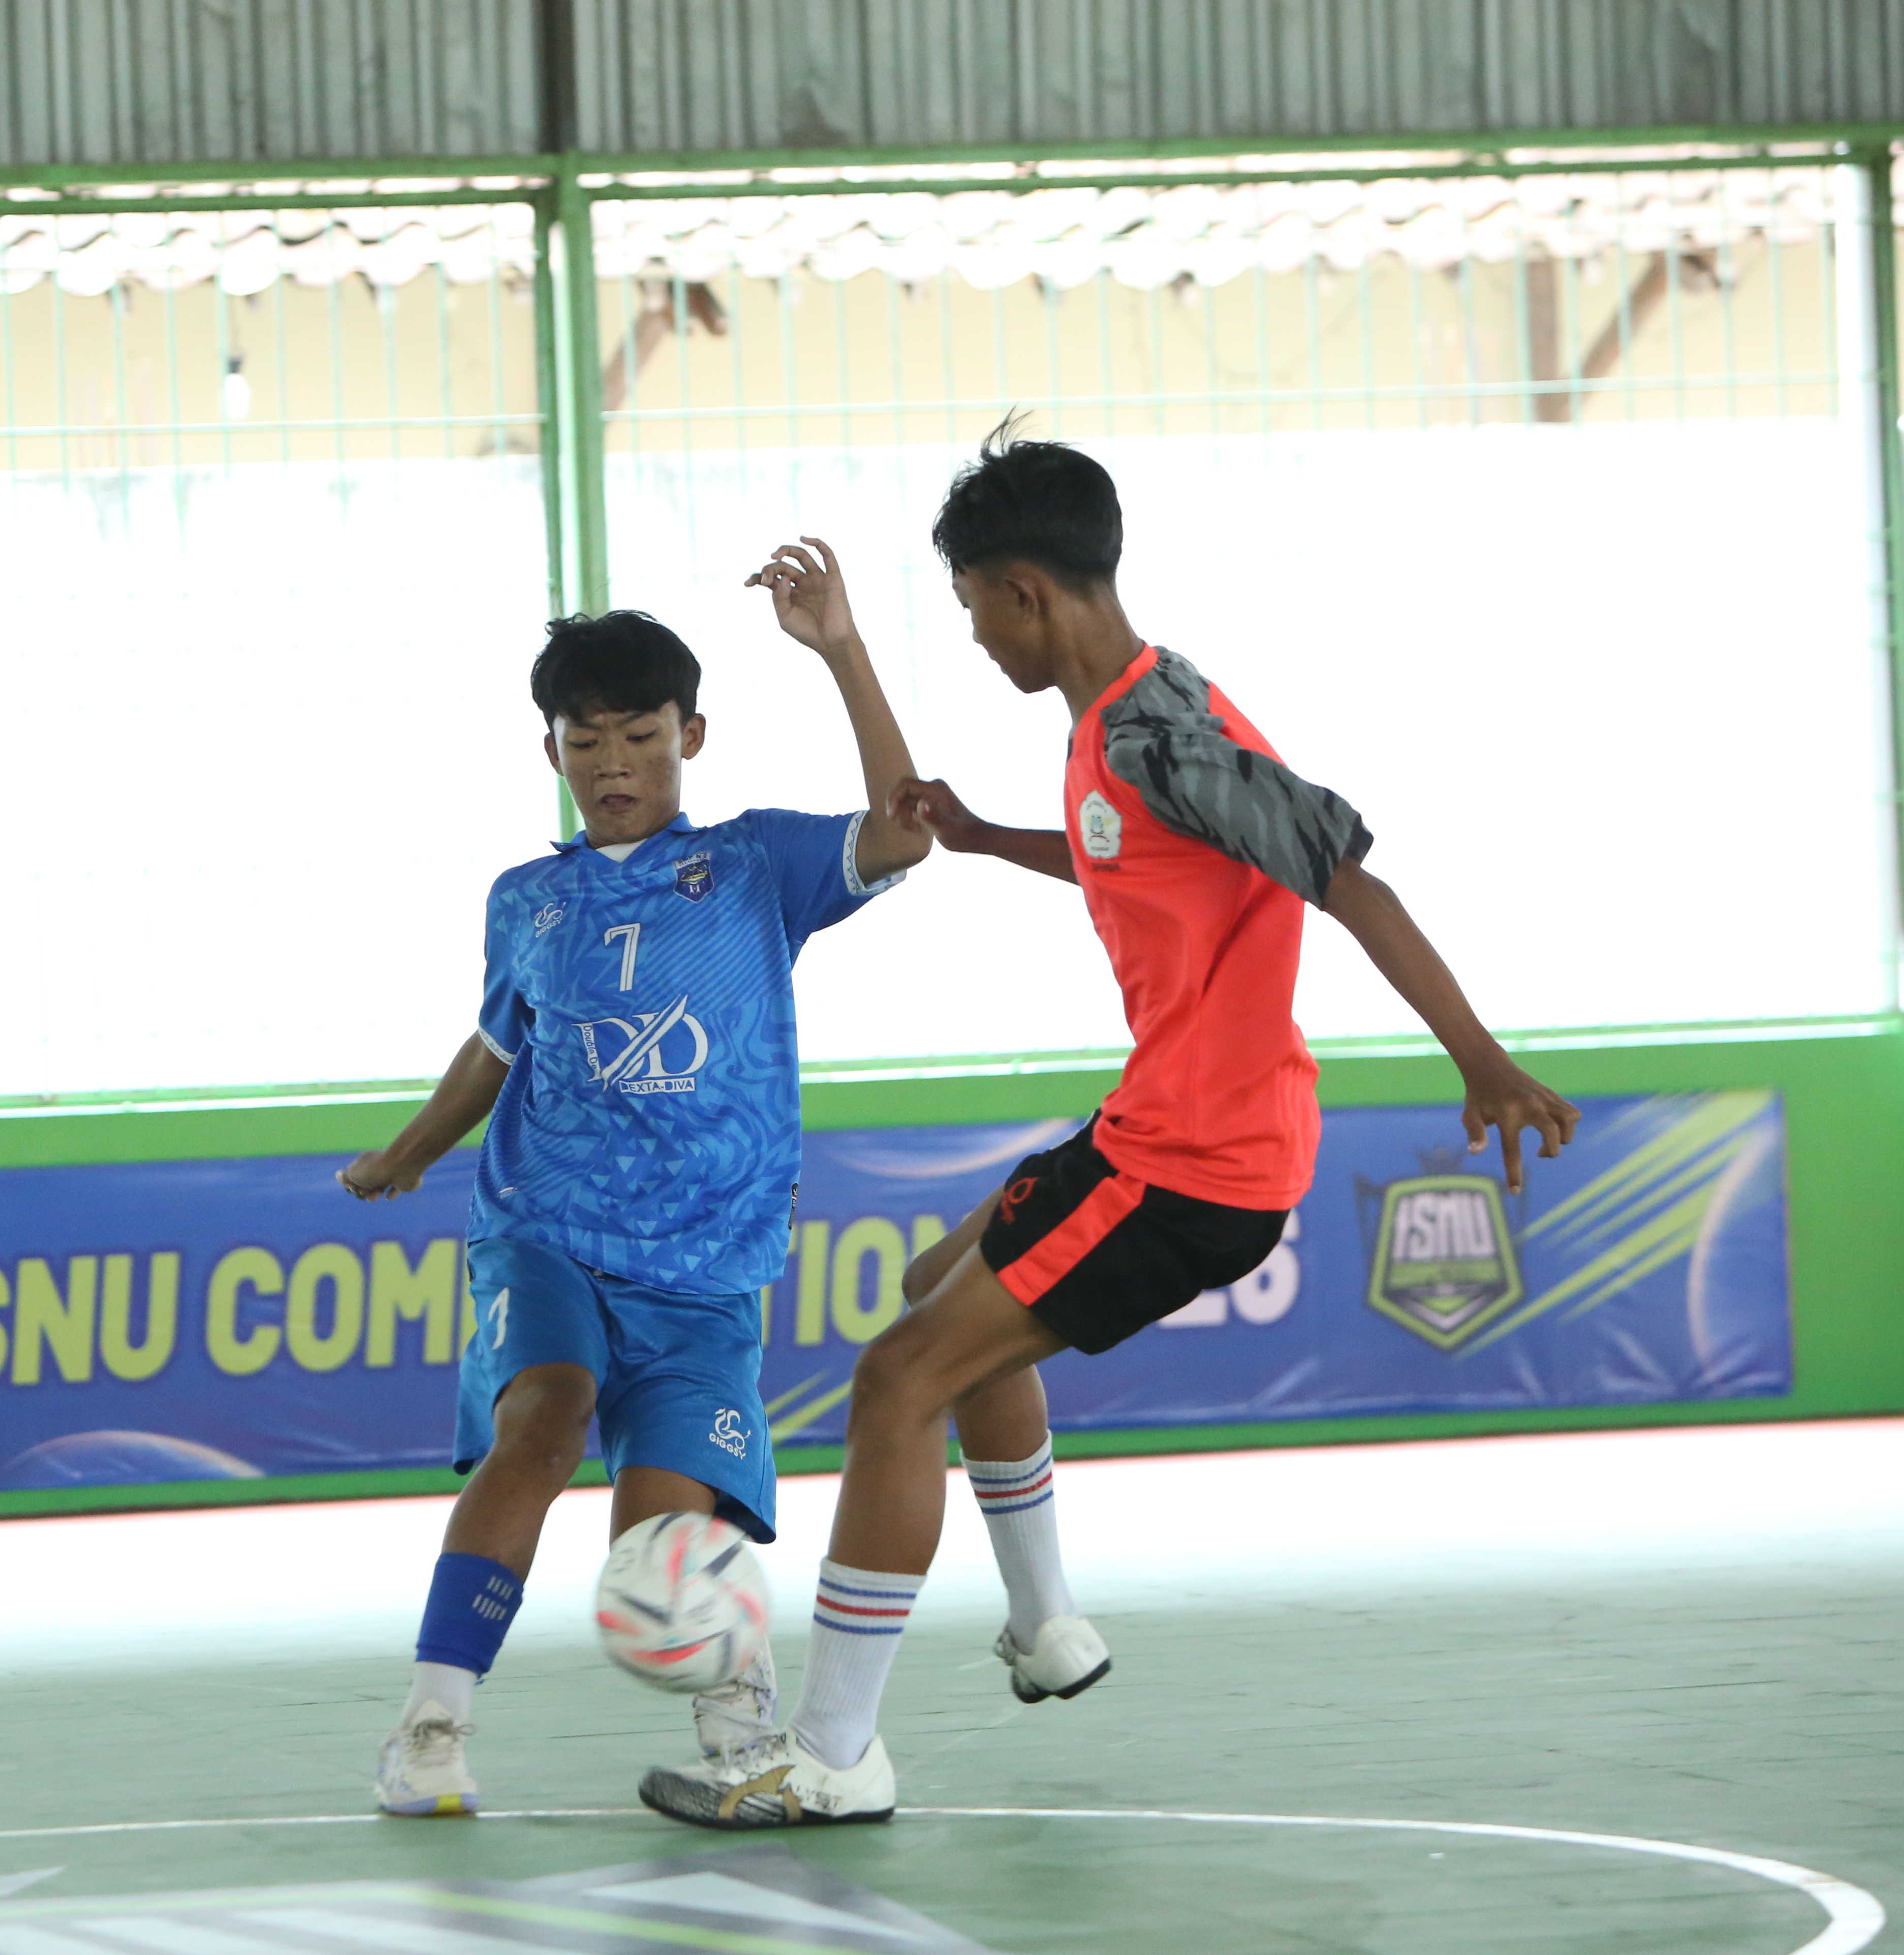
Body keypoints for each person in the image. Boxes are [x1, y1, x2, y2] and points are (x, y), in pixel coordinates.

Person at [637, 435, 1582, 1830]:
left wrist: (1484, 1063)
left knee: (898, 1381)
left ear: (1026, 592)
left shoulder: (1162, 736)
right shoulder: (1126, 714)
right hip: (1159, 1125)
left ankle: (832, 1756)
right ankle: (1048, 1627)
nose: (974, 635)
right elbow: (1127, 848)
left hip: (1192, 1165)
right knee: (938, 1295)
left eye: (973, 606)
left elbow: (1345, 877)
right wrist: (984, 835)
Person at [342, 552, 932, 1817]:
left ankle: (740, 1732)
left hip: (707, 1268)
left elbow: (902, 828)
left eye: (641, 736)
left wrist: (840, 649)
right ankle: (430, 1730)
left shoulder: (757, 867)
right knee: (544, 1419)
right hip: (546, 1230)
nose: (613, 763)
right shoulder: (529, 899)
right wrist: (412, 1152)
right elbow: (495, 1048)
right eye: (586, 740)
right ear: (551, 749)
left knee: (660, 1543)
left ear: (691, 736)